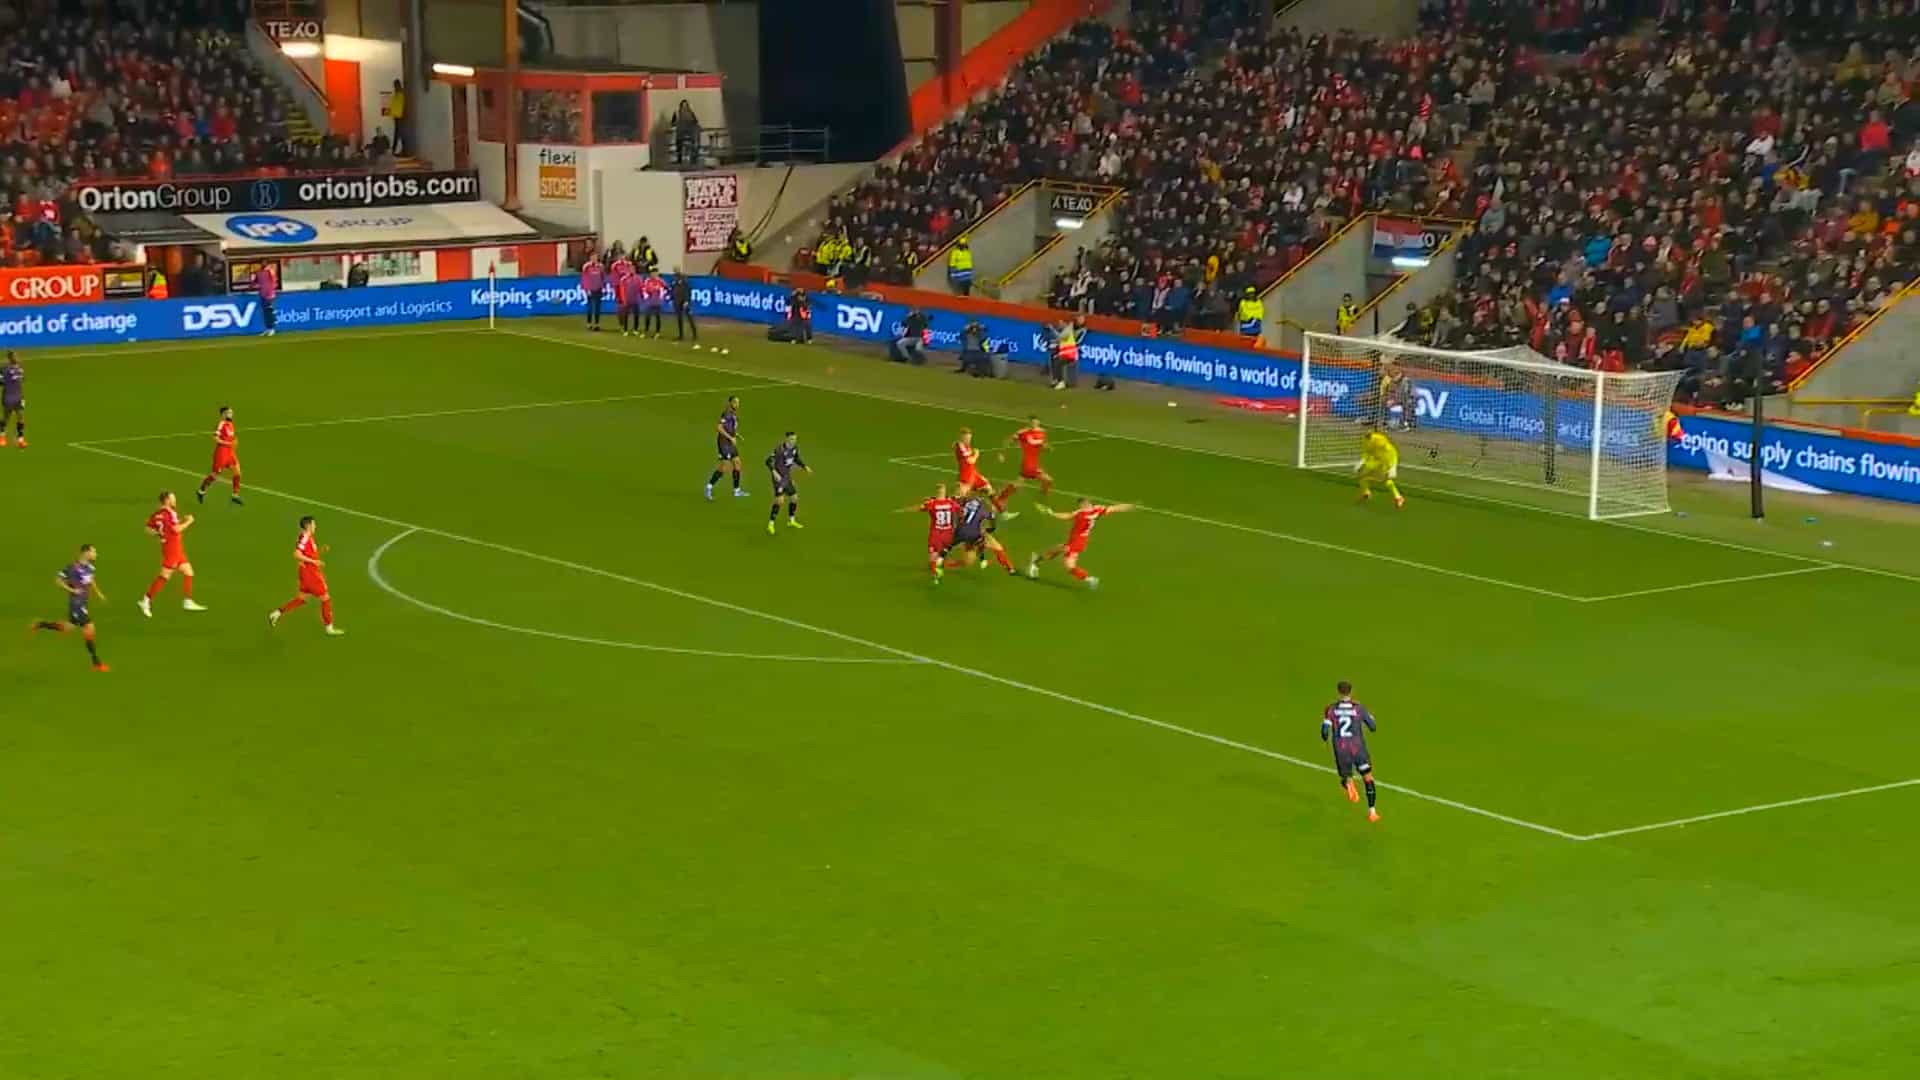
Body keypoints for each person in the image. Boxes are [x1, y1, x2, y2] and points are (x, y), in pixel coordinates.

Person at [33, 543, 109, 672]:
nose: (95, 554)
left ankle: (41, 624)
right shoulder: (72, 568)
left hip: (83, 603)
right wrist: (72, 590)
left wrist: (98, 593)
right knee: (89, 628)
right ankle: (96, 662)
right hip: (76, 605)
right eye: (93, 551)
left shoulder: (90, 567)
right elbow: (58, 580)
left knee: (67, 628)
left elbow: (91, 580)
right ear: (86, 553)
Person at [1029, 498, 1134, 589]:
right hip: (1075, 540)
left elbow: (1114, 508)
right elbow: (1067, 515)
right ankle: (1090, 579)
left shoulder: (1097, 509)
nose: (1083, 506)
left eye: (1085, 504)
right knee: (1068, 563)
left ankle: (1036, 561)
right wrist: (1053, 513)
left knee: (1065, 557)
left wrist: (1128, 506)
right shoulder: (1080, 513)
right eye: (1082, 505)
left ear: (1089, 503)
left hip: (1081, 541)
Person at [269, 516, 345, 635]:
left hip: (305, 573)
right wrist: (314, 562)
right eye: (314, 524)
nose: (315, 526)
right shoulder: (305, 537)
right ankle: (329, 628)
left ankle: (276, 613)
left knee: (301, 599)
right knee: (325, 598)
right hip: (311, 574)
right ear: (308, 526)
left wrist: (320, 551)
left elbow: (308, 554)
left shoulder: (307, 537)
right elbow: (296, 554)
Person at [1320, 680, 1381, 822]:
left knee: (1346, 776)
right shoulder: (1359, 708)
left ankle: (1348, 782)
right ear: (1351, 692)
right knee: (1368, 778)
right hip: (1358, 748)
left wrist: (1326, 738)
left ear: (1338, 692)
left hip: (1341, 749)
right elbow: (1373, 727)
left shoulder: (1331, 709)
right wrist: (1370, 718)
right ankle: (1372, 812)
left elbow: (1324, 732)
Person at [139, 491, 207, 617]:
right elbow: (176, 529)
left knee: (188, 571)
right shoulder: (171, 513)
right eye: (173, 498)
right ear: (167, 500)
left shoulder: (157, 514)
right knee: (164, 576)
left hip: (171, 548)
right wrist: (189, 521)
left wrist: (159, 533)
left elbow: (147, 529)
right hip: (173, 549)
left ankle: (187, 601)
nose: (175, 500)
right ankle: (146, 600)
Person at [949, 486, 1019, 575]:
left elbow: (955, 505)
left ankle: (943, 564)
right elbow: (991, 520)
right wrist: (990, 529)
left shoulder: (966, 500)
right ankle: (1010, 569)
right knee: (997, 547)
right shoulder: (985, 505)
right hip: (975, 533)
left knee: (968, 561)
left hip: (964, 531)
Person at [902, 482, 960, 583]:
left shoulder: (932, 503)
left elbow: (919, 508)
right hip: (948, 533)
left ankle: (936, 575)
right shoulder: (952, 503)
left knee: (933, 559)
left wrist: (905, 510)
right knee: (942, 555)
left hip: (936, 534)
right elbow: (960, 510)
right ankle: (941, 567)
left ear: (937, 492)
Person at [764, 431, 812, 533]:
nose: (793, 441)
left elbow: (796, 458)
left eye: (795, 439)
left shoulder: (795, 448)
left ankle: (791, 521)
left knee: (794, 498)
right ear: (786, 439)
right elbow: (768, 461)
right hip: (779, 479)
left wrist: (804, 467)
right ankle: (771, 524)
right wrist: (774, 472)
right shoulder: (780, 449)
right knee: (780, 501)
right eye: (791, 439)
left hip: (787, 477)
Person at [196, 406, 243, 505]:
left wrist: (234, 441)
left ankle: (235, 495)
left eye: (231, 412)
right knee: (215, 475)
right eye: (229, 412)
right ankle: (201, 490)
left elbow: (231, 437)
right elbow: (215, 438)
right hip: (221, 452)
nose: (231, 414)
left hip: (230, 452)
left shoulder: (231, 424)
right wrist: (228, 443)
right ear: (223, 414)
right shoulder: (221, 424)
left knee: (237, 472)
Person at [705, 395, 747, 500]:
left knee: (737, 463)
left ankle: (737, 491)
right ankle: (709, 487)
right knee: (724, 467)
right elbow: (719, 428)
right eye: (735, 402)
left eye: (738, 402)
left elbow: (729, 427)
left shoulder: (733, 413)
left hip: (730, 443)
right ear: (730, 403)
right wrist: (730, 437)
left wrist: (736, 434)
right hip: (724, 443)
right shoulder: (727, 413)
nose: (737, 404)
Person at [1358, 424, 1405, 508]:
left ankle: (1398, 497)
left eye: (1368, 429)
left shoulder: (1380, 440)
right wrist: (1362, 461)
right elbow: (1366, 451)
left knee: (1386, 480)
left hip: (1387, 460)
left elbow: (1392, 453)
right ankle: (1366, 492)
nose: (1366, 431)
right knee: (1361, 474)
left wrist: (1393, 467)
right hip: (1375, 459)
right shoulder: (1365, 440)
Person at [1010, 417, 1053, 495]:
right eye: (1032, 422)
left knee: (1019, 482)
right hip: (1029, 465)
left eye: (1036, 423)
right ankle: (1044, 492)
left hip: (1034, 463)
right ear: (1029, 423)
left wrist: (1047, 448)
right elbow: (1013, 439)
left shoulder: (1041, 432)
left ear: (1038, 423)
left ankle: (1044, 492)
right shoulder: (1023, 433)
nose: (1034, 424)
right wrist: (1015, 440)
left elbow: (1041, 445)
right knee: (1048, 480)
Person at [0, 350, 25, 448]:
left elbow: (21, 381)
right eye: (15, 356)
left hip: (19, 396)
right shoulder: (4, 369)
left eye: (17, 356)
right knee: (6, 418)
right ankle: (2, 436)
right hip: (8, 396)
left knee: (21, 417)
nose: (17, 358)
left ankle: (21, 440)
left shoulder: (20, 369)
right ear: (10, 358)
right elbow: (1, 382)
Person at [671, 270, 698, 346]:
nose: (675, 278)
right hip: (677, 302)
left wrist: (686, 301)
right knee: (679, 319)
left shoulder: (685, 283)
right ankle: (681, 335)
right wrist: (672, 299)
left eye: (676, 277)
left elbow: (688, 292)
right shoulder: (674, 283)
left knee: (689, 318)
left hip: (684, 302)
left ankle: (694, 334)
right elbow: (673, 292)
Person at [580, 253, 606, 331]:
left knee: (597, 307)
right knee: (590, 307)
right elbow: (584, 278)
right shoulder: (586, 266)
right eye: (593, 257)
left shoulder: (601, 266)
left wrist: (603, 288)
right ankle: (589, 323)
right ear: (590, 258)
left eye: (596, 257)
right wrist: (586, 289)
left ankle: (597, 324)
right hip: (590, 289)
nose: (594, 259)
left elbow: (603, 277)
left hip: (598, 289)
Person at [618, 265, 645, 336]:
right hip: (627, 299)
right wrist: (623, 299)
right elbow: (621, 290)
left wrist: (642, 297)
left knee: (636, 315)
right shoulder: (623, 279)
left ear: (635, 270)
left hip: (636, 299)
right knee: (626, 315)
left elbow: (641, 288)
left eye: (633, 269)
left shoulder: (638, 278)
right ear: (628, 270)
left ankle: (635, 329)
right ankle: (625, 330)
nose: (631, 270)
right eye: (630, 269)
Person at [253, 262, 278, 336]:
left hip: (269, 294)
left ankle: (272, 329)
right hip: (262, 294)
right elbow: (255, 282)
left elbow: (274, 281)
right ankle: (268, 328)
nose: (263, 264)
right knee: (265, 312)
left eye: (264, 263)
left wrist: (272, 290)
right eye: (262, 263)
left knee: (269, 311)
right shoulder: (259, 272)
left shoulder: (270, 271)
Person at [639, 272, 668, 337]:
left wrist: (662, 295)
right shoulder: (647, 281)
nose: (653, 275)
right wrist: (646, 296)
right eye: (652, 274)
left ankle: (657, 332)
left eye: (655, 274)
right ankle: (646, 331)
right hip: (649, 302)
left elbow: (666, 288)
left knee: (657, 317)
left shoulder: (660, 281)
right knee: (647, 317)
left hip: (658, 302)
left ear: (657, 274)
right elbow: (643, 289)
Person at [387, 78, 407, 155]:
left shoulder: (401, 94)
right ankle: (396, 150)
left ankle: (396, 150)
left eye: (395, 85)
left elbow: (401, 105)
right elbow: (394, 105)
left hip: (400, 117)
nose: (394, 87)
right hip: (397, 116)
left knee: (399, 133)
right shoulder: (397, 94)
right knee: (399, 133)